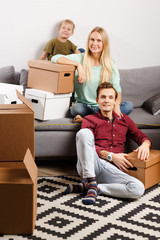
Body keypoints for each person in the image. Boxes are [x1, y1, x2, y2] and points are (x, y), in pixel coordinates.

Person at [64, 82, 152, 205]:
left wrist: (145, 145)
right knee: (83, 133)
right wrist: (111, 156)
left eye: (110, 97)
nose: (106, 100)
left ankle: (94, 187)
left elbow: (141, 137)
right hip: (93, 164)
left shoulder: (124, 120)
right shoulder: (89, 119)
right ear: (97, 100)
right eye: (103, 97)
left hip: (111, 170)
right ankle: (90, 179)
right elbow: (87, 146)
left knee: (138, 188)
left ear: (116, 101)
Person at [51, 26, 133, 123]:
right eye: (92, 40)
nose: (94, 43)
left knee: (128, 106)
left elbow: (117, 90)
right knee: (76, 109)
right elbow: (55, 58)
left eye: (99, 41)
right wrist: (78, 65)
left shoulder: (110, 64)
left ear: (104, 44)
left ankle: (88, 120)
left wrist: (117, 107)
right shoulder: (80, 58)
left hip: (104, 105)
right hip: (84, 106)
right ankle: (104, 119)